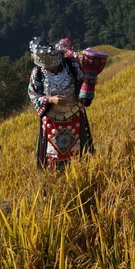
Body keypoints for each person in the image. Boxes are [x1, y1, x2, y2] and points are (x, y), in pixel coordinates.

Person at [27, 37, 94, 172]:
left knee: (79, 151)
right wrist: (50, 100)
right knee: (54, 155)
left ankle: (81, 175)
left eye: (50, 65)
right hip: (53, 121)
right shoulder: (38, 73)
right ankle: (57, 177)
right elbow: (34, 94)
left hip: (74, 115)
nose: (48, 68)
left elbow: (82, 87)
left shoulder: (72, 67)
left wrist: (88, 83)